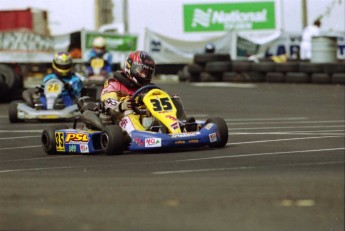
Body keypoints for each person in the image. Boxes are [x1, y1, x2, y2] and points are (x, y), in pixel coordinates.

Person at [98, 50, 156, 125]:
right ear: (130, 66)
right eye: (141, 71)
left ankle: (171, 132)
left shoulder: (148, 88)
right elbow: (107, 101)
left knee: (154, 114)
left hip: (144, 118)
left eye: (147, 73)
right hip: (118, 120)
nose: (144, 76)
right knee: (129, 113)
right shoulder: (114, 84)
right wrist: (122, 105)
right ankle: (138, 135)